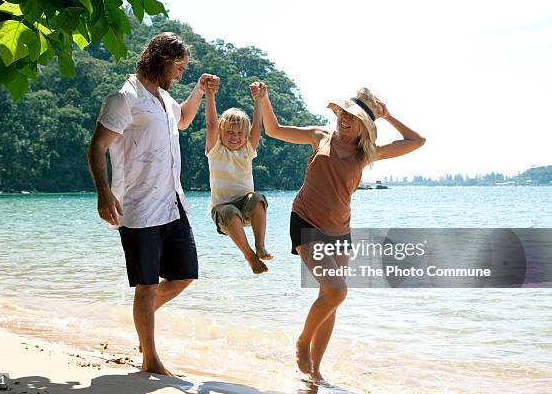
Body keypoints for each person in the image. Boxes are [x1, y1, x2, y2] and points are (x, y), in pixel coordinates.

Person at [260, 83, 425, 383]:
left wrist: (387, 116)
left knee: (330, 298)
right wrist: (263, 99)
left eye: (355, 117)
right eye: (344, 113)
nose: (346, 119)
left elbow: (417, 141)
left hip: (339, 231)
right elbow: (273, 129)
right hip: (306, 220)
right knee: (337, 291)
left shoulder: (366, 153)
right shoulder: (320, 136)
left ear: (364, 124)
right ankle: (302, 341)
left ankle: (315, 372)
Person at [87, 32, 219, 376]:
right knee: (146, 286)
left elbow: (184, 120)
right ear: (161, 60)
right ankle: (151, 358)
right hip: (139, 207)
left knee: (185, 275)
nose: (181, 74)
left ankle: (140, 317)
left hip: (172, 203)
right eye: (179, 68)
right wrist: (104, 192)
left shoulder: (162, 97)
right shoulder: (124, 98)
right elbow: (97, 146)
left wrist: (200, 92)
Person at [204, 81, 272, 274]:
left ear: (246, 135)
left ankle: (260, 246)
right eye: (229, 133)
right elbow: (210, 125)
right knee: (230, 211)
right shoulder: (216, 151)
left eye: (240, 133)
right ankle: (250, 257)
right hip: (223, 212)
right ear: (221, 133)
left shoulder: (247, 150)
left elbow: (257, 127)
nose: (235, 137)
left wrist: (258, 100)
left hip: (245, 207)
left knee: (257, 198)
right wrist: (210, 95)